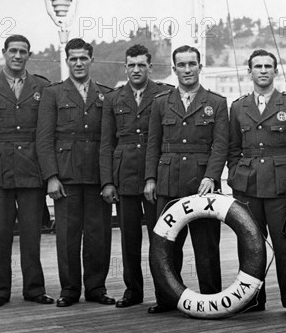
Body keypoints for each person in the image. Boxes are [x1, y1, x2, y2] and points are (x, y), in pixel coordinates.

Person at [0, 35, 54, 307]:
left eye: (23, 52)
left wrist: (47, 173)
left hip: (31, 171)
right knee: (0, 235)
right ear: (4, 53)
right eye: (13, 51)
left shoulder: (41, 86)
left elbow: (45, 135)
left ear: (29, 56)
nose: (18, 56)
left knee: (32, 235)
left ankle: (34, 289)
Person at [144, 45, 228, 313]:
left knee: (206, 247)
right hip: (168, 182)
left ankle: (212, 297)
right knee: (167, 245)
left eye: (192, 64)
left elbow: (220, 145)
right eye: (182, 65)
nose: (187, 69)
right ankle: (167, 298)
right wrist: (150, 179)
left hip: (202, 185)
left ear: (200, 67)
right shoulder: (160, 103)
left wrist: (211, 177)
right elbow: (152, 145)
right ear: (174, 69)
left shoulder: (216, 103)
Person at [227, 49, 286, 318]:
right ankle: (252, 299)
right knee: (250, 244)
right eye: (257, 66)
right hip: (247, 186)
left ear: (275, 71)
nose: (263, 70)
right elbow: (232, 149)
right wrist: (235, 177)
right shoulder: (238, 107)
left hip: (281, 186)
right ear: (249, 71)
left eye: (268, 66)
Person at [36, 38, 115, 307]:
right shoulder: (53, 93)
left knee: (98, 235)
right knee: (67, 237)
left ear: (91, 60)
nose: (78, 63)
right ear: (66, 61)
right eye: (73, 59)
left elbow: (108, 141)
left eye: (83, 58)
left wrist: (108, 181)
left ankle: (96, 288)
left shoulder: (105, 94)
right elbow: (44, 139)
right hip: (66, 177)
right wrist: (51, 177)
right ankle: (69, 290)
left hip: (96, 177)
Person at [100, 44, 172, 308]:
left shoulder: (165, 94)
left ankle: (164, 292)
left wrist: (154, 175)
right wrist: (107, 181)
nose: (136, 70)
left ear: (150, 67)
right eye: (131, 65)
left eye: (141, 65)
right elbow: (106, 144)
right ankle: (133, 291)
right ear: (125, 67)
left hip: (155, 176)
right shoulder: (113, 99)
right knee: (129, 238)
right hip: (126, 175)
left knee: (160, 238)